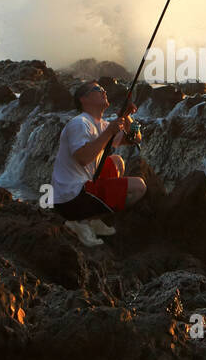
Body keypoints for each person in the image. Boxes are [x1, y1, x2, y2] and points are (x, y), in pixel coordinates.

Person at [51, 81, 147, 246]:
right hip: (71, 198)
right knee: (139, 187)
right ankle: (79, 223)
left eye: (103, 88)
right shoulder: (79, 123)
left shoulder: (100, 124)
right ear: (84, 99)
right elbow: (83, 157)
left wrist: (126, 116)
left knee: (116, 161)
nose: (103, 91)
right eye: (97, 89)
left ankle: (92, 219)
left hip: (79, 191)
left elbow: (135, 138)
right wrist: (109, 131)